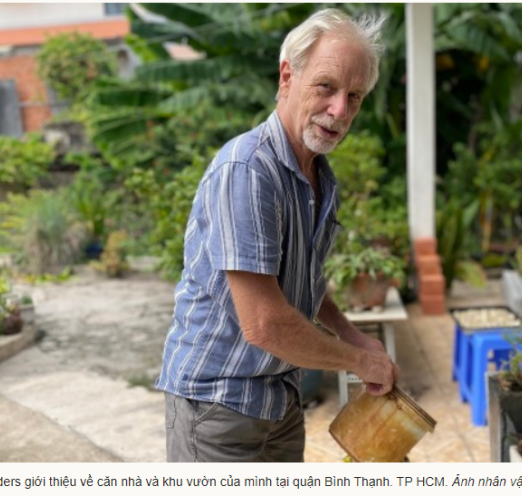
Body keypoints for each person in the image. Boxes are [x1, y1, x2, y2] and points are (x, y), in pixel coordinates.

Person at [156, 8, 398, 463]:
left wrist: (353, 335)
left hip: (280, 400)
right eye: (326, 86)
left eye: (355, 96)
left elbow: (301, 280)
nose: (340, 110)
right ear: (288, 77)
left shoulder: (319, 178)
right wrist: (358, 361)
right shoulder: (247, 170)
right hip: (219, 406)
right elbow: (264, 322)